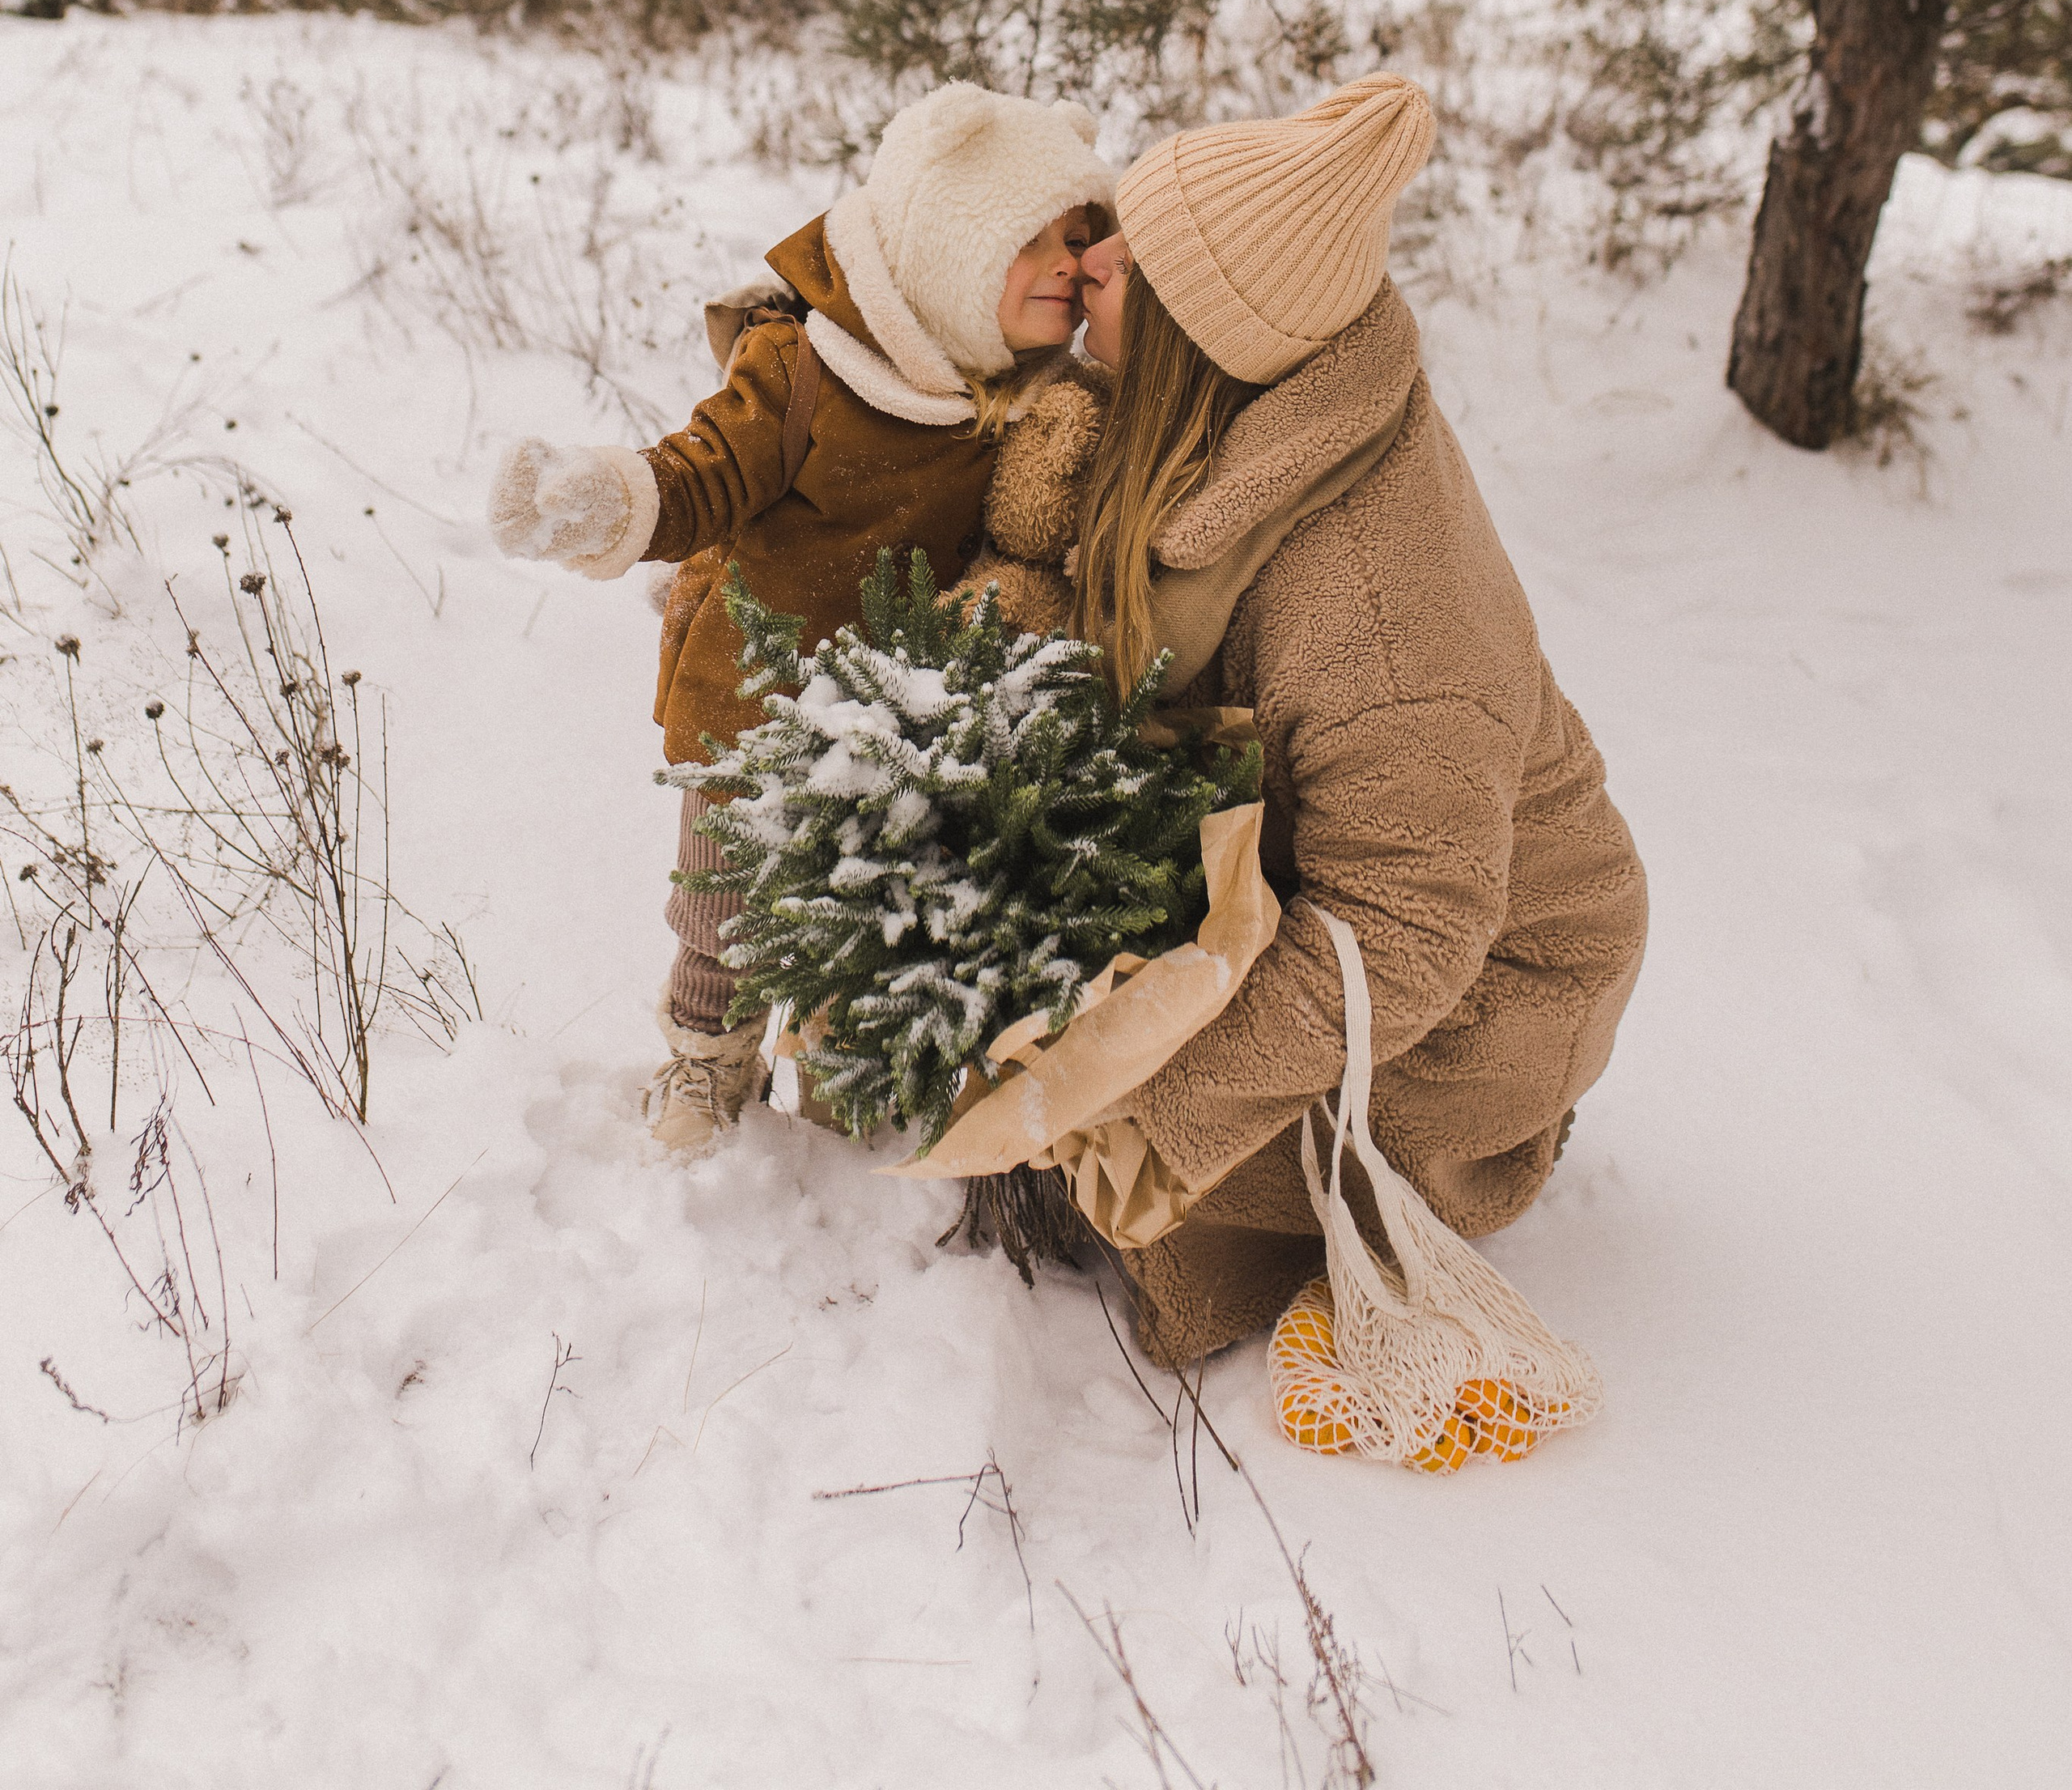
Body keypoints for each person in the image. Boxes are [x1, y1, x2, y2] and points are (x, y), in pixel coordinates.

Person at [966, 71, 1647, 1369]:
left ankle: (1457, 1158)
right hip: (1356, 888)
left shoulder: (1380, 611)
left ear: (1204, 330)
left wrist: (1162, 1099)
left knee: (1144, 1169)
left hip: (1494, 975)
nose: (1089, 255)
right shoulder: (1239, 411)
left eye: (1130, 256)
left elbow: (1405, 926)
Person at [488, 82, 1115, 1154]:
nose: (1070, 260)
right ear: (950, 244)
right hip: (758, 703)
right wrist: (607, 497)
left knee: (875, 901)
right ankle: (707, 1055)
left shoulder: (1030, 392)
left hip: (907, 718)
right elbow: (702, 476)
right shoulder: (806, 371)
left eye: (1084, 234)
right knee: (725, 909)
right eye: (1035, 237)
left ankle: (840, 1075)